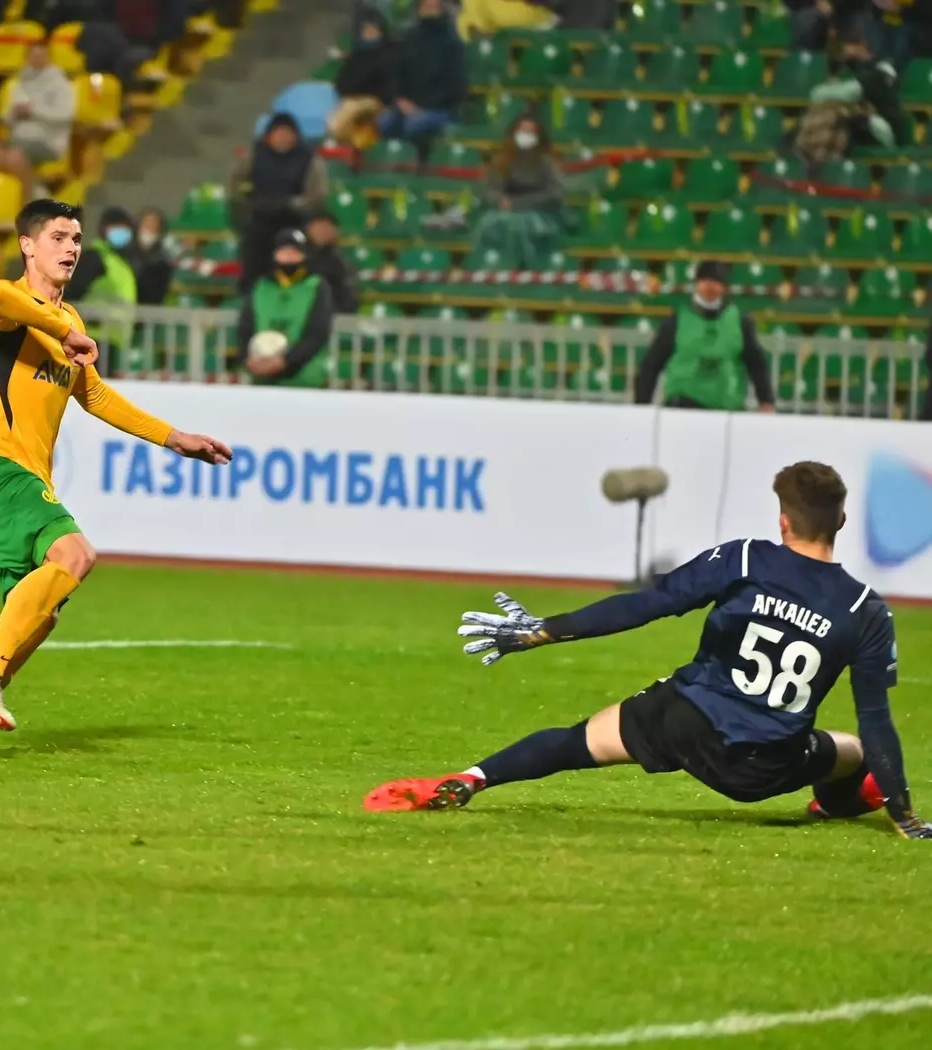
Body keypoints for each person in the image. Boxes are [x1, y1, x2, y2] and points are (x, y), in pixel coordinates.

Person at [365, 462, 932, 840]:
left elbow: (647, 605)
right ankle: (835, 805)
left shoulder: (745, 559)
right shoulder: (865, 610)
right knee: (854, 747)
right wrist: (905, 815)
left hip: (685, 720)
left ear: (783, 521)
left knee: (576, 742)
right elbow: (877, 720)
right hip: (765, 764)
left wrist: (544, 630)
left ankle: (473, 778)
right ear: (842, 521)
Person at [0, 198, 231, 762]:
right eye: (57, 237)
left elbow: (94, 395)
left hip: (19, 476)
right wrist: (60, 329)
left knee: (38, 615)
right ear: (27, 246)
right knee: (76, 555)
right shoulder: (15, 307)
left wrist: (173, 437)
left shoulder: (71, 321)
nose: (71, 248)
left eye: (76, 238)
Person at [634, 260, 776, 412]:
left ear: (723, 287)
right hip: (682, 408)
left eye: (715, 282)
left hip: (726, 409)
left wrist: (766, 400)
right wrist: (641, 404)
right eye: (705, 281)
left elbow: (756, 363)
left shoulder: (740, 322)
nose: (710, 287)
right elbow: (651, 364)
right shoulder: (677, 321)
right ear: (696, 284)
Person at [230, 112, 328, 293]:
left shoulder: (309, 159)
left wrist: (291, 204)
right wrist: (251, 204)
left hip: (294, 222)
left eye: (287, 133)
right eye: (278, 133)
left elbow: (316, 195)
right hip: (259, 223)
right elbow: (235, 187)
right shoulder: (254, 156)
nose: (283, 137)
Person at [236, 228, 334, 387]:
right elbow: (245, 328)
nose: (289, 257)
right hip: (261, 379)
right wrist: (247, 360)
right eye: (284, 251)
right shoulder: (262, 287)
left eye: (295, 252)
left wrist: (286, 362)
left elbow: (317, 333)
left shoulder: (316, 286)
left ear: (304, 255)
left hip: (305, 380)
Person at [0, 41, 76, 202]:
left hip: (47, 140)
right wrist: (14, 114)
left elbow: (65, 115)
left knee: (15, 156)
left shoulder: (60, 83)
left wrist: (33, 111)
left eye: (41, 56)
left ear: (49, 57)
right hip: (18, 137)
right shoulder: (20, 82)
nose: (37, 59)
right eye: (34, 56)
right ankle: (35, 193)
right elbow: (7, 119)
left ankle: (27, 202)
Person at [475, 113, 565, 271]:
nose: (526, 135)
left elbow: (555, 194)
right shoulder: (501, 160)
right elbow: (488, 190)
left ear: (538, 136)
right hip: (504, 212)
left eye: (530, 132)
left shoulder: (547, 162)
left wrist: (518, 204)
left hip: (539, 213)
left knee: (521, 225)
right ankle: (496, 267)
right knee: (489, 223)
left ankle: (527, 268)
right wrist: (500, 201)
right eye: (523, 131)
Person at [377, 0, 466, 149]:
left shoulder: (452, 43)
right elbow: (396, 73)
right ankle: (387, 160)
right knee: (383, 123)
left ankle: (414, 160)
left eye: (433, 6)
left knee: (413, 125)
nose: (429, 10)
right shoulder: (409, 38)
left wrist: (420, 106)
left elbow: (455, 88)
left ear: (441, 9)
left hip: (439, 109)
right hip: (406, 106)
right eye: (425, 5)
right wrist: (399, 99)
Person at [65, 206, 139, 373]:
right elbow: (73, 291)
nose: (120, 232)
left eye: (124, 228)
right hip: (91, 338)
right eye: (115, 227)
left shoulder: (121, 263)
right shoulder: (95, 257)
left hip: (113, 341)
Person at [328, 9, 399, 148]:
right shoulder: (356, 56)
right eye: (366, 29)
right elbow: (341, 84)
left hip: (378, 103)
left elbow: (390, 84)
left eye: (374, 28)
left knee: (344, 116)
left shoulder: (391, 53)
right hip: (352, 101)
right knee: (345, 118)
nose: (370, 32)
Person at [305, 211, 359, 314]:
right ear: (309, 229)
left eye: (327, 227)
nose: (322, 232)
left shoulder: (340, 257)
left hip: (337, 310)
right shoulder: (300, 255)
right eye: (318, 227)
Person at [132, 207, 175, 306]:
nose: (150, 229)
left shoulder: (164, 260)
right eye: (147, 225)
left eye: (155, 226)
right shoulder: (125, 253)